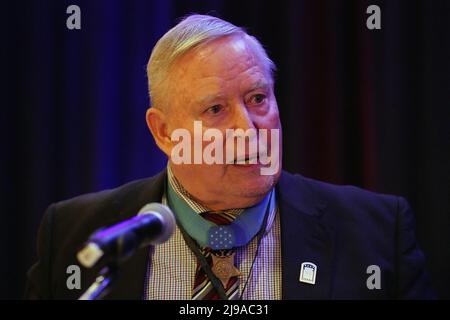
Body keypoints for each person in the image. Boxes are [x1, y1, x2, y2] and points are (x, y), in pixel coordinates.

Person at [26, 14, 435, 300]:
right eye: (216, 109)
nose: (249, 128)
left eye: (258, 99)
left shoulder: (377, 234)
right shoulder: (77, 236)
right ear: (164, 132)